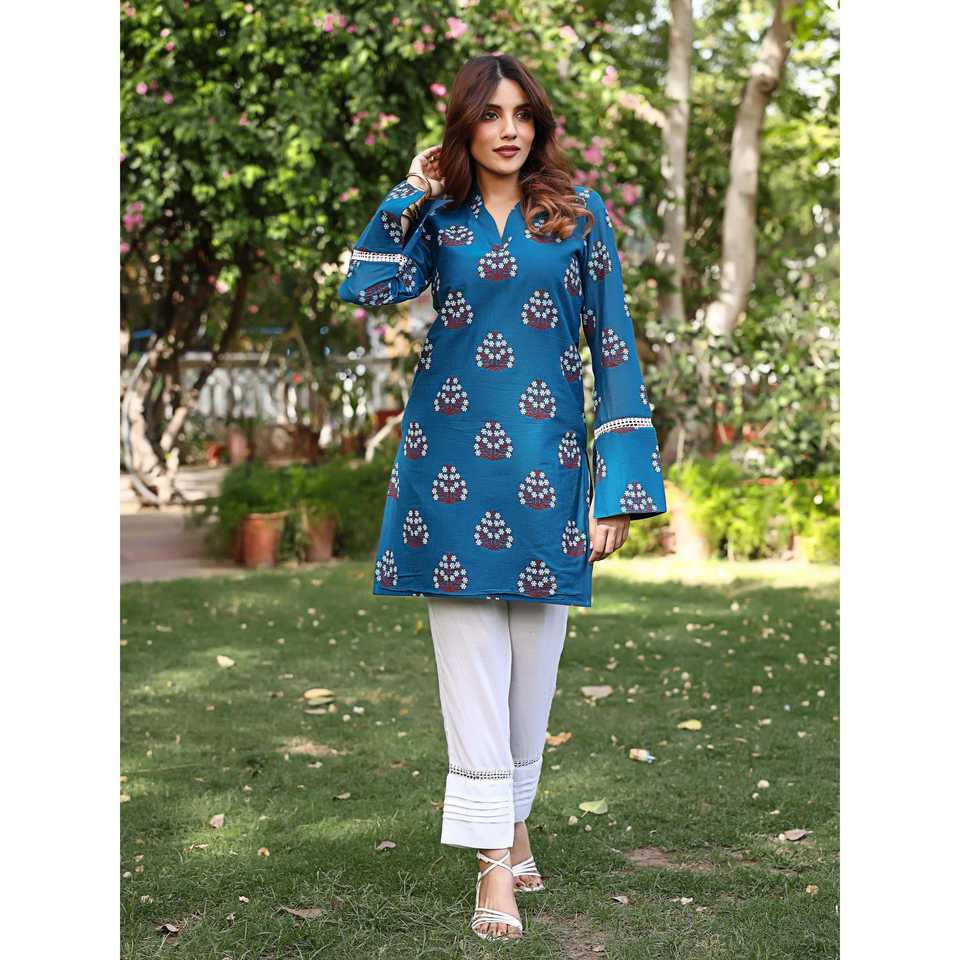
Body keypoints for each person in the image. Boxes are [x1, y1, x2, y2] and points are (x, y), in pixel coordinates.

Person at [338, 54, 667, 942]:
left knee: (532, 673)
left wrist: (618, 488)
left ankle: (514, 822)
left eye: (522, 113)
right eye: (490, 114)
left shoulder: (578, 214)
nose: (509, 129)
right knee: (470, 670)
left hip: (549, 470)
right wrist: (410, 190)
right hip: (446, 464)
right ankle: (494, 864)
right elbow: (365, 285)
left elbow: (613, 347)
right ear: (465, 126)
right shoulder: (438, 218)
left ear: (539, 124)